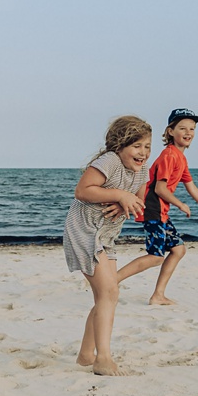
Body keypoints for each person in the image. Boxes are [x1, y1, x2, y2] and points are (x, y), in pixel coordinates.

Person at [63, 115, 152, 376]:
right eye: (137, 146)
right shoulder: (109, 161)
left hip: (106, 235)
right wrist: (118, 194)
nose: (143, 152)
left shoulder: (142, 170)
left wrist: (124, 205)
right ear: (119, 145)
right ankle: (102, 358)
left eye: (147, 146)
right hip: (84, 231)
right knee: (109, 293)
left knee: (107, 294)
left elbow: (138, 203)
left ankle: (85, 354)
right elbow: (82, 190)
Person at [115, 108, 198, 304]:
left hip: (160, 210)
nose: (188, 133)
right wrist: (180, 204)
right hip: (152, 208)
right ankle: (110, 281)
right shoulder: (169, 155)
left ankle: (158, 295)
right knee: (156, 257)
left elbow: (191, 186)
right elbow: (160, 189)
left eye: (192, 129)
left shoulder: (180, 158)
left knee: (178, 249)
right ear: (170, 131)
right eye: (182, 128)